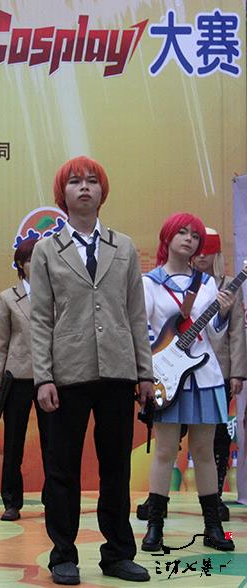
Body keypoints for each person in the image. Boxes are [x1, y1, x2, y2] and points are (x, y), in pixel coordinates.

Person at [30, 156, 153, 584]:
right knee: (61, 469)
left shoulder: (124, 247)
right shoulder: (46, 250)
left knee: (115, 467)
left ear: (102, 192)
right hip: (67, 374)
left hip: (118, 371)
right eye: (75, 182)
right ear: (61, 194)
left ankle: (118, 554)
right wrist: (43, 377)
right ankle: (63, 555)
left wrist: (145, 374)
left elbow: (136, 314)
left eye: (92, 181)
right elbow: (40, 318)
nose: (84, 187)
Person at [140, 214, 236, 553]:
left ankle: (214, 528)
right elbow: (143, 328)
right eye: (182, 232)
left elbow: (214, 332)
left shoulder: (207, 283)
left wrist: (223, 312)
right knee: (165, 451)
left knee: (204, 452)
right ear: (167, 237)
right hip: (166, 377)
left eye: (194, 235)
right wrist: (155, 364)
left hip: (205, 376)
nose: (189, 239)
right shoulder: (149, 282)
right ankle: (155, 527)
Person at [0, 237, 49, 522]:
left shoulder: (56, 294)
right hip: (17, 379)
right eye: (29, 260)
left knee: (54, 441)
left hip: (51, 378)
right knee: (13, 442)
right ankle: (12, 502)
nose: (35, 264)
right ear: (20, 265)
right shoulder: (7, 298)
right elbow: (0, 343)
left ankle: (54, 498)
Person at [193, 227, 246, 520]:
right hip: (184, 369)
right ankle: (157, 498)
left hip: (220, 371)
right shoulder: (184, 283)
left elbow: (237, 333)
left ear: (217, 254)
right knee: (172, 432)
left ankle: (214, 496)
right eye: (198, 250)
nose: (202, 256)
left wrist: (237, 372)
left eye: (208, 251)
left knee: (217, 435)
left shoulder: (230, 286)